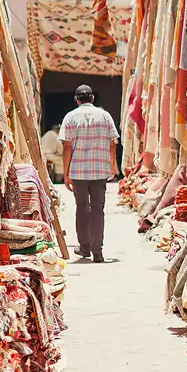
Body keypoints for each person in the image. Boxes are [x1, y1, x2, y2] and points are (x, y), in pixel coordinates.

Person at [59, 84, 119, 263]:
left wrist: (66, 173)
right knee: (98, 209)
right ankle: (97, 252)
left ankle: (85, 247)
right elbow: (112, 144)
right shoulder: (105, 116)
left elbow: (67, 147)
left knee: (82, 207)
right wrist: (112, 166)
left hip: (78, 172)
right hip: (100, 171)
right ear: (92, 98)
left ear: (77, 100)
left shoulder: (70, 117)